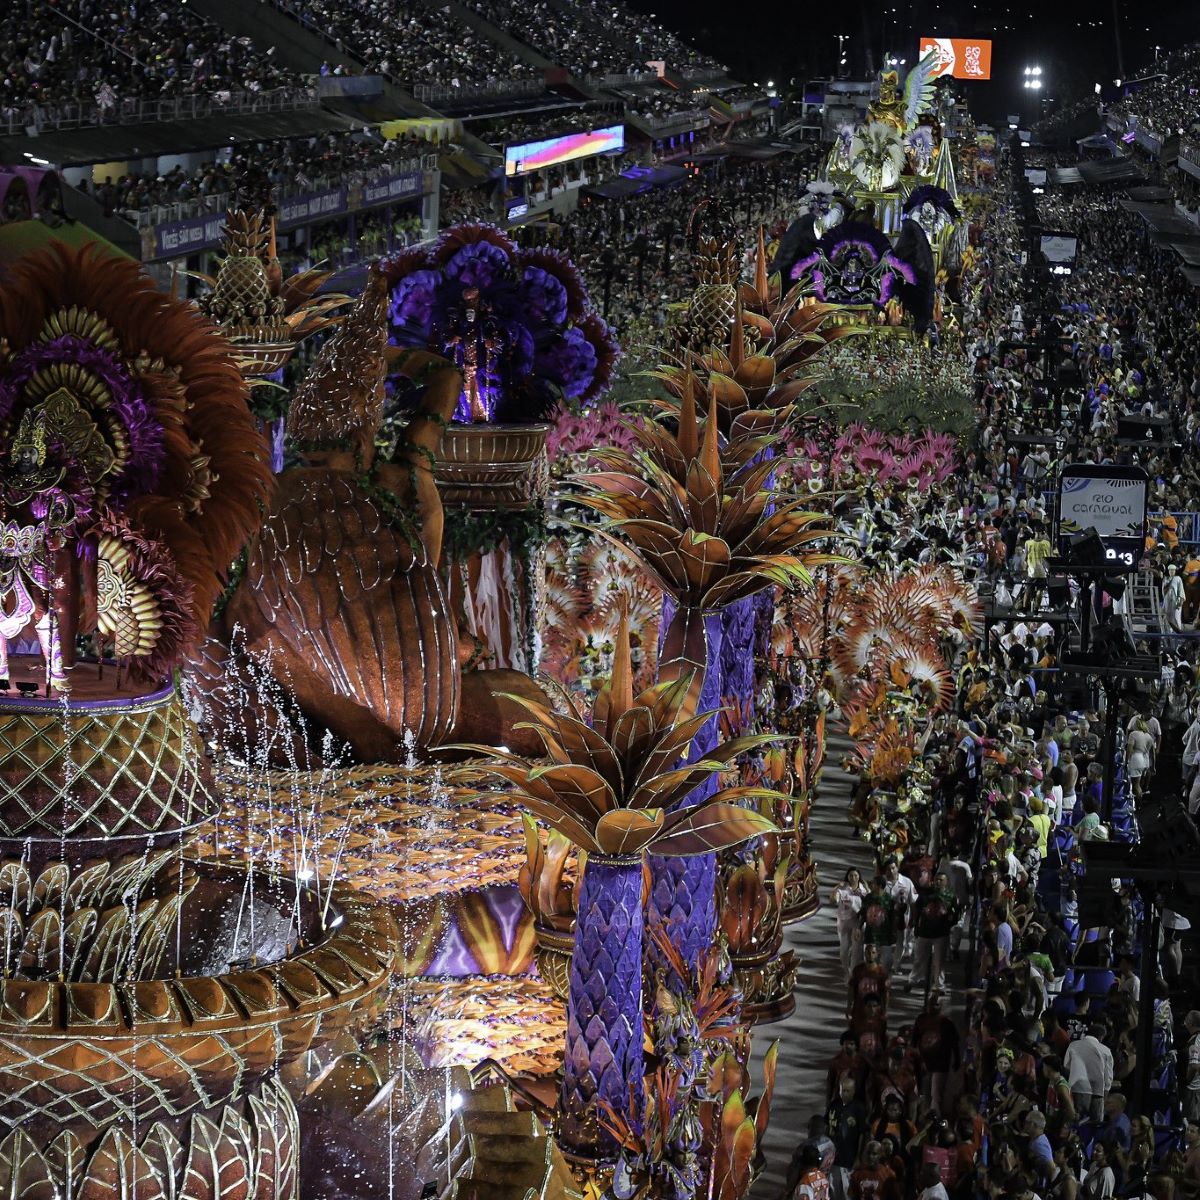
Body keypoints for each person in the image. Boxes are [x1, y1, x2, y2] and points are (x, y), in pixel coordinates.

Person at [908, 873, 961, 994]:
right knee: (919, 959)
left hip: (941, 934)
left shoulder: (950, 896)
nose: (938, 882)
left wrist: (950, 922)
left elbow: (956, 914)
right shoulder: (925, 894)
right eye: (936, 879)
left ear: (946, 882)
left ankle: (939, 985)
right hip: (924, 932)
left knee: (939, 962)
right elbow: (916, 909)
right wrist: (916, 926)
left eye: (941, 880)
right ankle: (913, 980)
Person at [828, 1075, 869, 1200]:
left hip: (849, 1159)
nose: (844, 1093)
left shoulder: (858, 1108)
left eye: (847, 1090)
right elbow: (827, 1125)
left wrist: (858, 1157)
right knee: (833, 1191)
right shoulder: (834, 1104)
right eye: (842, 1090)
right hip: (833, 1158)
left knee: (847, 1193)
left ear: (853, 1091)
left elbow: (863, 1133)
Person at [1064, 1021, 1114, 1121]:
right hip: (1098, 1093)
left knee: (1076, 1122)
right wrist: (1105, 1094)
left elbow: (1066, 1067)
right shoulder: (1106, 1050)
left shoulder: (1073, 1045)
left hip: (1077, 1090)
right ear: (1101, 1037)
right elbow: (1108, 1077)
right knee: (1094, 1125)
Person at [834, 867, 870, 977]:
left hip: (857, 923)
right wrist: (836, 888)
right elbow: (832, 900)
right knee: (843, 952)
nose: (853, 878)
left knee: (856, 950)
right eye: (851, 876)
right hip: (844, 923)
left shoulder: (864, 891)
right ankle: (846, 971)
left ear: (859, 877)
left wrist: (866, 893)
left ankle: (854, 975)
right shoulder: (842, 889)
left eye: (856, 876)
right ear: (847, 877)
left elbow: (869, 904)